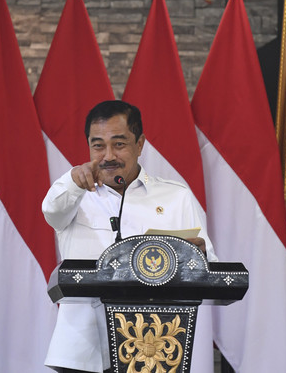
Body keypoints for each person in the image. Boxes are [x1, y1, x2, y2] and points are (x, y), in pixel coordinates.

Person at [42, 100, 216, 373]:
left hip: (155, 350)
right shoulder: (73, 195)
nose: (108, 155)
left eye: (119, 144)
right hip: (82, 354)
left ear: (140, 144)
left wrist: (195, 258)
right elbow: (51, 212)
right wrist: (73, 181)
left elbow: (210, 266)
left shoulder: (175, 196)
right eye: (98, 145)